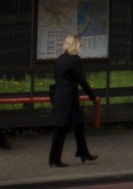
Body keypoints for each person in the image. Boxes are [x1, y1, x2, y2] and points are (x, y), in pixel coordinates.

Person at [49, 35, 99, 168]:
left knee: (78, 124)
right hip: (69, 98)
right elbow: (82, 81)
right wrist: (93, 97)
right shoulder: (75, 60)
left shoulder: (60, 59)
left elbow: (57, 77)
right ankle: (54, 159)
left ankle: (83, 152)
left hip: (60, 95)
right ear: (75, 45)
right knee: (62, 128)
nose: (81, 47)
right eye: (80, 45)